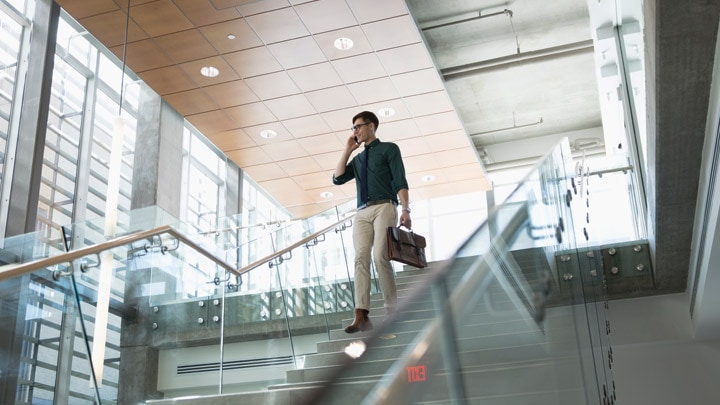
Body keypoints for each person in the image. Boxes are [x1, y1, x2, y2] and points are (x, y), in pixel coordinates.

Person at [332, 111, 412, 333]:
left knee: (379, 255)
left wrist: (405, 209)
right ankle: (361, 315)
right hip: (361, 212)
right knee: (360, 258)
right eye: (353, 128)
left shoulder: (389, 149)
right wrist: (348, 150)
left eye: (358, 126)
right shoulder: (358, 159)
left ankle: (391, 309)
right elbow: (337, 178)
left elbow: (400, 179)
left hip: (385, 206)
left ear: (372, 126)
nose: (355, 131)